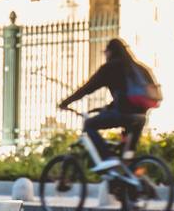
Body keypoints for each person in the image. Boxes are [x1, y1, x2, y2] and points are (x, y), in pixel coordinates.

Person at [60, 38, 160, 172]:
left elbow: (87, 88)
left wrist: (65, 102)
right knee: (126, 156)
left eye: (105, 52)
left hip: (124, 114)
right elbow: (129, 94)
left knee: (89, 124)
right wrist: (108, 107)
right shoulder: (140, 68)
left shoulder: (110, 67)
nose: (105, 55)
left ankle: (107, 158)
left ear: (111, 52)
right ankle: (131, 179)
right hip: (140, 117)